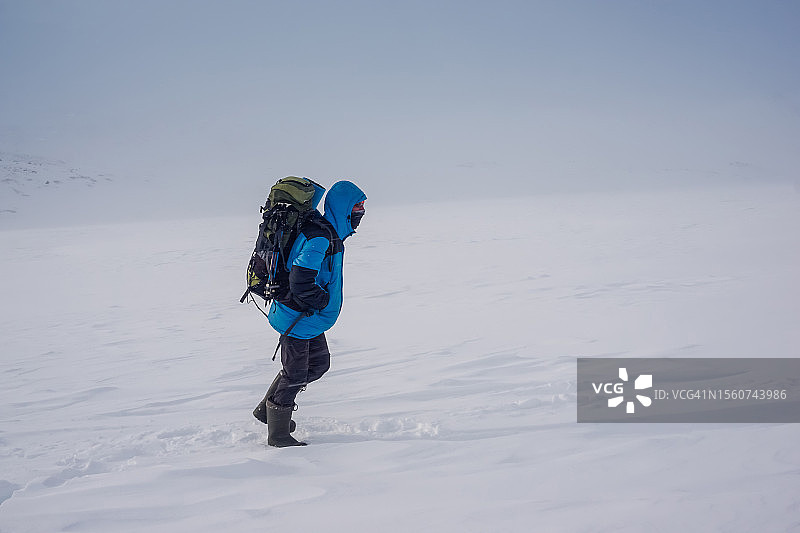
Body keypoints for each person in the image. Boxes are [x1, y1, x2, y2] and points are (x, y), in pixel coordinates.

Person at [253, 180, 367, 447]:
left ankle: (266, 411)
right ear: (344, 207)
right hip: (298, 317)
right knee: (295, 373)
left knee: (318, 365)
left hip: (308, 318)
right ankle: (278, 434)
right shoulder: (320, 236)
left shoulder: (328, 232)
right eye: (358, 205)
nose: (361, 211)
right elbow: (301, 278)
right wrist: (321, 301)